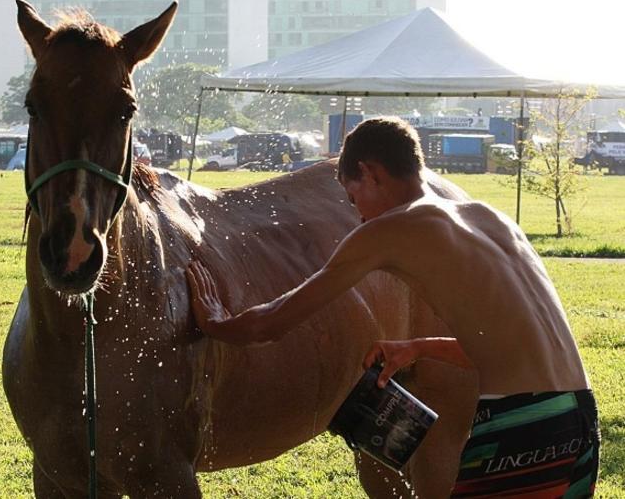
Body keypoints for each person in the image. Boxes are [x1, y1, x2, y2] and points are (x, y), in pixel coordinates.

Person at [186, 117, 599, 497]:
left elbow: (274, 322)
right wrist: (418, 347)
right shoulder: (490, 218)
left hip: (521, 422)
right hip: (578, 416)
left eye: (353, 198)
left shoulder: (390, 229)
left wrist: (218, 322)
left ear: (369, 172)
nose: (358, 216)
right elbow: (509, 346)